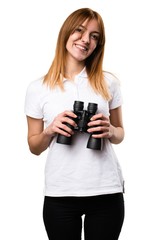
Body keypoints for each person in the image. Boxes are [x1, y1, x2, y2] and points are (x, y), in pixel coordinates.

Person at [24, 7, 125, 240]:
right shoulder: (38, 88)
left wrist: (109, 130)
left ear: (98, 44)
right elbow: (34, 146)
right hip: (60, 192)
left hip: (105, 190)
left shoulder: (108, 82)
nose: (86, 40)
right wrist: (51, 130)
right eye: (79, 31)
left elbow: (120, 134)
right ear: (66, 33)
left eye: (94, 36)